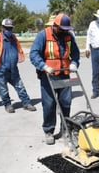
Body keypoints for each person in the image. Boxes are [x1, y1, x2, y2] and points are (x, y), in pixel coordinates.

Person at [30, 14, 80, 145]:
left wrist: (74, 63)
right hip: (49, 75)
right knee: (49, 104)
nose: (64, 31)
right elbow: (34, 54)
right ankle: (48, 131)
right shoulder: (43, 35)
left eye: (66, 29)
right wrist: (44, 66)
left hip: (65, 73)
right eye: (62, 29)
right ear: (55, 26)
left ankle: (65, 129)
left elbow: (75, 52)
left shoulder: (69, 35)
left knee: (66, 102)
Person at [0, 18, 37, 113]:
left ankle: (26, 103)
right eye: (7, 28)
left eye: (10, 28)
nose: (9, 30)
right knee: (3, 90)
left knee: (20, 87)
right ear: (2, 28)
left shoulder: (14, 39)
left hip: (13, 69)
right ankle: (8, 105)